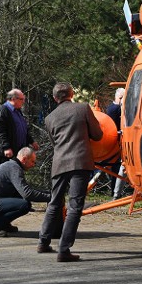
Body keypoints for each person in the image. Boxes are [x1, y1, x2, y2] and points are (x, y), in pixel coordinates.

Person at [37, 83, 103, 262]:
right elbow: (98, 135)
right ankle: (64, 249)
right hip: (79, 162)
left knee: (55, 202)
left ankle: (43, 242)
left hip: (59, 164)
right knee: (75, 207)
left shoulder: (49, 118)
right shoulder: (82, 109)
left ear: (54, 98)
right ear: (72, 94)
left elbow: (54, 143)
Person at [0, 147, 51, 237]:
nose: (34, 164)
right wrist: (50, 196)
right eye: (33, 161)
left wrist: (47, 193)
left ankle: (3, 223)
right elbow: (27, 194)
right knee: (25, 205)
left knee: (18, 197)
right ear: (24, 159)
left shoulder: (12, 166)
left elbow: (25, 189)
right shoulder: (14, 168)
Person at [0, 88, 39, 164]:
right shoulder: (2, 111)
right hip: (8, 154)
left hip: (18, 152)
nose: (23, 102)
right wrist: (6, 148)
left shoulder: (18, 111)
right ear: (13, 99)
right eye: (21, 99)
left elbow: (23, 129)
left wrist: (32, 142)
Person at [105, 88, 128, 200]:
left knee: (117, 167)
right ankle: (115, 191)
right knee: (118, 167)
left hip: (114, 141)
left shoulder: (110, 107)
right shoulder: (116, 109)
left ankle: (115, 192)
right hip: (116, 141)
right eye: (122, 98)